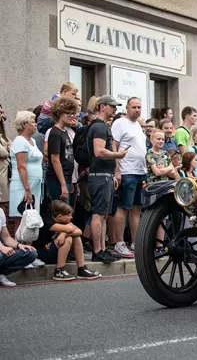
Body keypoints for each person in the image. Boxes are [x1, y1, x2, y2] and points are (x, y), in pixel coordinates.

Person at [88, 95, 126, 263]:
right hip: (100, 177)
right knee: (98, 214)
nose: (115, 110)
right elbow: (99, 151)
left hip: (105, 176)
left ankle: (102, 249)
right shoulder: (99, 127)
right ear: (102, 107)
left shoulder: (102, 126)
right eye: (112, 106)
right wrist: (118, 154)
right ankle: (98, 251)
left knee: (103, 215)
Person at [111, 97, 147, 257]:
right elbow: (114, 146)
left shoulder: (138, 125)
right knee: (123, 207)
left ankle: (135, 242)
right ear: (127, 108)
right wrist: (117, 170)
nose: (137, 110)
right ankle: (119, 243)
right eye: (134, 107)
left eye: (139, 107)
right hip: (127, 171)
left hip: (140, 171)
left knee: (136, 209)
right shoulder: (119, 123)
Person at [35, 200, 101, 281]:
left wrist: (64, 234)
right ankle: (59, 270)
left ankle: (81, 269)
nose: (71, 217)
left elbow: (79, 232)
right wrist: (67, 232)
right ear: (60, 216)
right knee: (69, 238)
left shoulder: (66, 221)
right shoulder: (48, 222)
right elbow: (70, 228)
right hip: (44, 254)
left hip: (57, 252)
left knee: (76, 238)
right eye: (69, 215)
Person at [9, 111, 44, 226]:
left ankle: (29, 244)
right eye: (32, 122)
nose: (35, 124)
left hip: (35, 185)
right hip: (22, 186)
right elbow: (21, 166)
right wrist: (27, 189)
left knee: (32, 219)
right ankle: (20, 244)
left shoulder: (32, 141)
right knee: (22, 219)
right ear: (24, 124)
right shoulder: (20, 141)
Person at [45, 97, 78, 203]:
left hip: (66, 179)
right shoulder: (55, 133)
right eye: (68, 112)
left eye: (72, 113)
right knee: (61, 213)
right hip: (57, 180)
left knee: (66, 213)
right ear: (59, 113)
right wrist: (63, 184)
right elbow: (55, 159)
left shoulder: (64, 131)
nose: (71, 116)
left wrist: (70, 181)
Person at [0, 201, 37, 286]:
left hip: (2, 249)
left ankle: (1, 274)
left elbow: (6, 237)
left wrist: (19, 245)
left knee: (30, 253)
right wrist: (1, 247)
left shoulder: (1, 212)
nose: (1, 194)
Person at [0, 104, 11, 203]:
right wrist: (8, 149)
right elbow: (3, 153)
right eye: (0, 112)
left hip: (5, 172)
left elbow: (10, 144)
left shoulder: (2, 132)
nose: (2, 116)